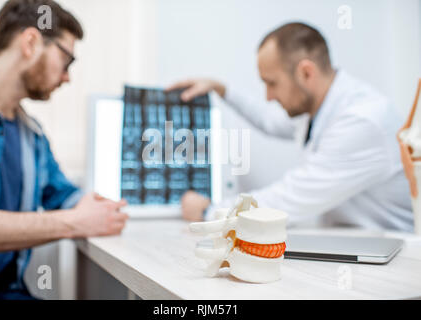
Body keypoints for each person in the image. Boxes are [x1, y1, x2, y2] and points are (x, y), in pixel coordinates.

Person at [169, 22, 413, 231]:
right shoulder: (317, 110)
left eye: (272, 83)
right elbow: (269, 121)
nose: (269, 96)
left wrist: (210, 211)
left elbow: (289, 199)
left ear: (306, 72)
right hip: (356, 246)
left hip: (393, 257)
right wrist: (222, 89)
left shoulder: (362, 120)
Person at [0, 0, 129, 300]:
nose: (68, 76)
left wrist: (106, 209)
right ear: (31, 42)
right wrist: (70, 223)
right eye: (66, 60)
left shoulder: (33, 136)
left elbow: (64, 196)